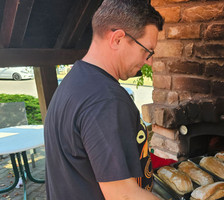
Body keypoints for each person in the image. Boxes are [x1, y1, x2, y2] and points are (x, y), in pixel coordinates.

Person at [44, 0, 164, 199]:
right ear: (117, 39)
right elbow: (123, 196)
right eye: (147, 51)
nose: (149, 62)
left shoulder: (76, 79)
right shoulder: (106, 100)